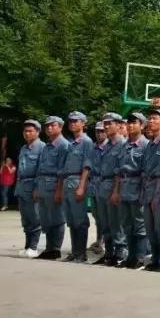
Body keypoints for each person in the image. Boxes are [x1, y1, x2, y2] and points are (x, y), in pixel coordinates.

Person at [113, 112, 150, 269]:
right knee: (127, 224)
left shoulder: (146, 145)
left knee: (140, 224)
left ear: (142, 125)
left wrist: (143, 192)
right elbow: (119, 171)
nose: (130, 125)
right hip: (124, 186)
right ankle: (131, 257)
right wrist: (116, 191)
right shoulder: (123, 145)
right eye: (129, 122)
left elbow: (146, 172)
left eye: (134, 122)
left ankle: (140, 258)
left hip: (138, 185)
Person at [35, 116, 70, 260]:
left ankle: (55, 248)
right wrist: (37, 187)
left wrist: (59, 190)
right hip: (43, 183)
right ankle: (49, 248)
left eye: (53, 125)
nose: (49, 128)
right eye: (47, 126)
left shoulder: (63, 145)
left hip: (54, 183)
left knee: (56, 218)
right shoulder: (46, 145)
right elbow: (40, 167)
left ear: (60, 127)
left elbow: (63, 169)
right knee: (45, 219)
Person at [60, 111, 93, 263]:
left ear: (83, 123)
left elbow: (87, 166)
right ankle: (75, 251)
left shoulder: (86, 142)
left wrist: (82, 186)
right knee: (71, 220)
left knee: (80, 220)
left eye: (76, 121)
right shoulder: (71, 143)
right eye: (71, 121)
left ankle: (81, 253)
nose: (72, 123)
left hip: (78, 180)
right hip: (68, 181)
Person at [93, 114, 126, 266]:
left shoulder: (123, 145)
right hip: (102, 186)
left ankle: (120, 254)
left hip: (114, 186)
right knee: (104, 222)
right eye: (104, 124)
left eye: (109, 123)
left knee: (116, 223)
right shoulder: (106, 146)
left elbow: (120, 172)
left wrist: (116, 191)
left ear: (119, 125)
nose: (106, 126)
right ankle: (108, 253)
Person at [139, 110, 160, 271]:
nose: (150, 121)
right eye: (149, 118)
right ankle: (155, 259)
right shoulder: (151, 143)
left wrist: (157, 194)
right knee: (150, 228)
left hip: (159, 187)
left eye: (154, 118)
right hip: (148, 187)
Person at [16, 121, 45, 259]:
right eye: (25, 131)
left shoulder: (42, 148)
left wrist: (37, 188)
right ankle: (27, 246)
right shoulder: (24, 148)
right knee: (25, 219)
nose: (27, 134)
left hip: (33, 185)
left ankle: (33, 247)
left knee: (34, 218)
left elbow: (41, 170)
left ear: (37, 132)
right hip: (22, 186)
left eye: (30, 131)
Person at [88, 121, 109, 255]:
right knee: (97, 216)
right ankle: (98, 240)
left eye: (102, 131)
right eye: (97, 131)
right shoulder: (93, 147)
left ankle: (106, 243)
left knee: (106, 216)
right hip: (93, 184)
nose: (100, 133)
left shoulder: (110, 147)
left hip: (104, 183)